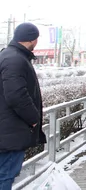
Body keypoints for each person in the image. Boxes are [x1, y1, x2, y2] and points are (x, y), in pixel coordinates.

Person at [0, 23, 46, 189]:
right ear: (33, 40)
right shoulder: (15, 59)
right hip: (10, 132)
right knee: (5, 176)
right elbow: (16, 95)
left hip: (7, 130)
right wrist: (34, 119)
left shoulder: (8, 55)